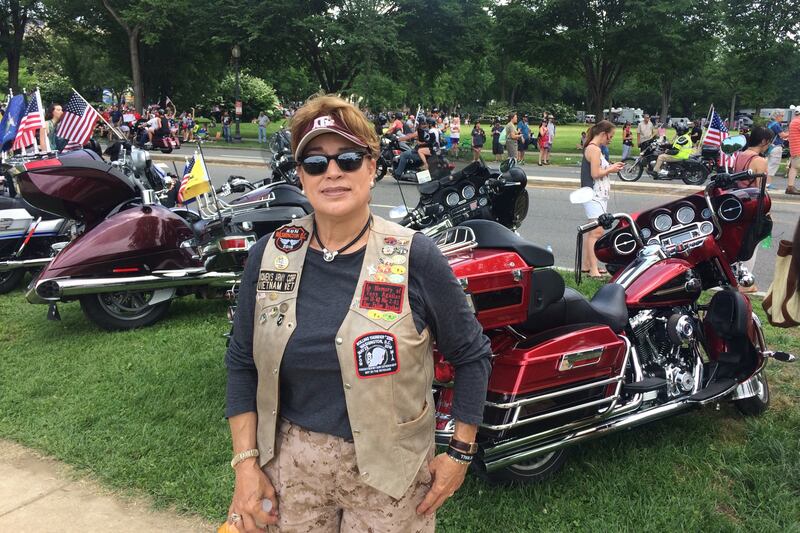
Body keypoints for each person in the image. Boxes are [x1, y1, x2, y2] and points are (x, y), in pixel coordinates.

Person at [224, 94, 491, 532]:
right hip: (291, 467)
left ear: (371, 167)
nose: (332, 172)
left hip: (393, 475)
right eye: (315, 163)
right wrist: (246, 464)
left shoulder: (415, 256)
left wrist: (460, 453)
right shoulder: (271, 255)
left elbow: (472, 354)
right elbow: (241, 362)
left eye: (347, 159)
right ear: (300, 176)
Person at [730, 126, 775, 293]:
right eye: (769, 142)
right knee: (751, 245)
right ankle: (745, 284)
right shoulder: (760, 161)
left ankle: (734, 279)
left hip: (738, 203)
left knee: (738, 244)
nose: (769, 145)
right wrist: (767, 212)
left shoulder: (740, 155)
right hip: (752, 207)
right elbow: (760, 190)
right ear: (763, 141)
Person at [580, 121, 625, 277]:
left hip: (595, 194)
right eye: (610, 136)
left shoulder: (593, 148)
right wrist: (611, 169)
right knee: (596, 232)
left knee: (592, 230)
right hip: (594, 194)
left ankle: (587, 265)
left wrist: (610, 167)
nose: (610, 139)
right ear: (603, 134)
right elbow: (595, 174)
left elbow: (597, 170)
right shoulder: (594, 149)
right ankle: (593, 270)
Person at [766, 110, 789, 190]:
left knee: (768, 165)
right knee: (773, 165)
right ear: (777, 116)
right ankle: (768, 184)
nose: (783, 117)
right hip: (776, 147)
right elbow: (783, 135)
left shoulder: (770, 124)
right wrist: (792, 132)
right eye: (782, 116)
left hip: (769, 147)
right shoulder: (776, 125)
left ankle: (765, 183)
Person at [786, 107, 800, 195]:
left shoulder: (793, 121)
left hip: (794, 148)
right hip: (798, 148)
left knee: (794, 167)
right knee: (794, 168)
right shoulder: (798, 122)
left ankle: (790, 187)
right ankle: (790, 187)